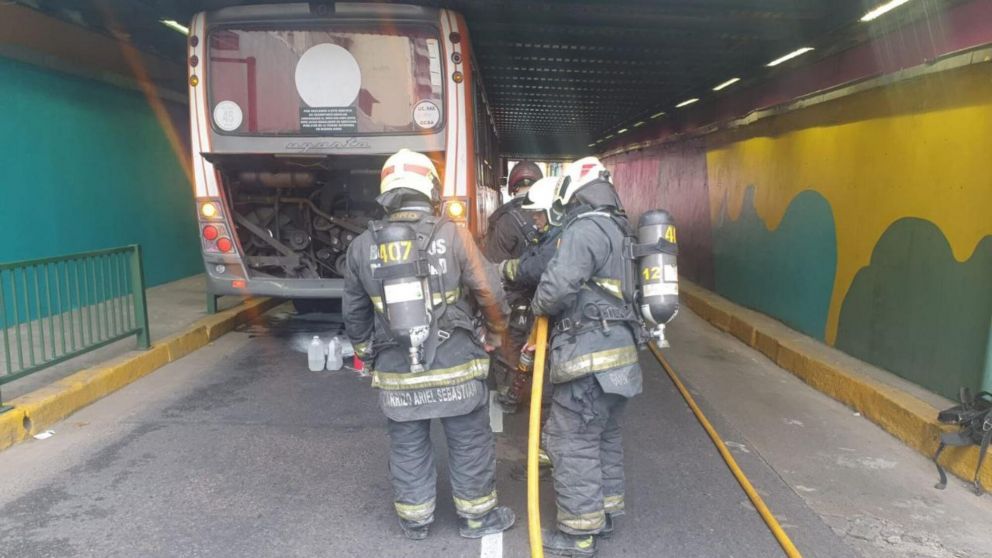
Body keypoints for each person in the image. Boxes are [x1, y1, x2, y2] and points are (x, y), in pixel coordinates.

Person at [343, 149, 515, 541]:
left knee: (407, 445)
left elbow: (354, 313)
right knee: (470, 442)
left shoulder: (361, 247)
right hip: (456, 365)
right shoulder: (453, 235)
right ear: (431, 190)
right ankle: (476, 519)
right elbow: (489, 291)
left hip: (397, 369)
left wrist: (367, 354)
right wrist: (495, 333)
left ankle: (415, 521)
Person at [531, 157, 644, 557]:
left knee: (571, 441)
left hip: (587, 356)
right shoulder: (620, 228)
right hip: (622, 355)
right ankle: (606, 513)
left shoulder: (585, 227)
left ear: (573, 191)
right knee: (605, 435)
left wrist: (536, 307)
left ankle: (578, 533)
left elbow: (557, 288)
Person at [496, 176, 563, 411]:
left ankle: (540, 402)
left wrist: (504, 269)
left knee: (544, 352)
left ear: (554, 211)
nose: (534, 217)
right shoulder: (548, 235)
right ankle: (520, 395)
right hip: (543, 303)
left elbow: (535, 267)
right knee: (530, 348)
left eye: (538, 212)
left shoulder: (560, 237)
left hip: (555, 309)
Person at [484, 161, 545, 407]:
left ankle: (511, 393)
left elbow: (493, 266)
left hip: (516, 298)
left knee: (510, 345)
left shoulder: (504, 220)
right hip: (548, 294)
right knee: (546, 343)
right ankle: (545, 393)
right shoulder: (552, 212)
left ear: (513, 186)